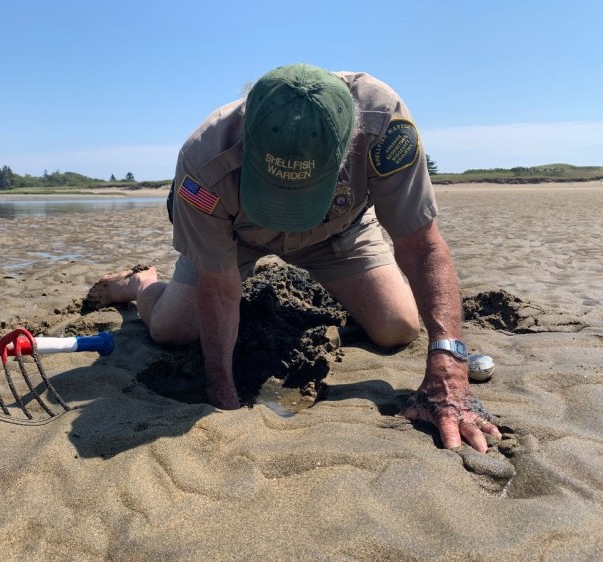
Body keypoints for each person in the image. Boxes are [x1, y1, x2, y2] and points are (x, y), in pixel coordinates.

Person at [93, 63, 501, 453]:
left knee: (398, 327)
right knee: (171, 330)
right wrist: (222, 392)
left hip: (338, 230)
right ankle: (141, 283)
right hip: (236, 237)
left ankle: (345, 288)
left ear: (350, 141)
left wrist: (449, 369)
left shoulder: (383, 123)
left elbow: (422, 245)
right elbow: (218, 287)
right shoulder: (204, 160)